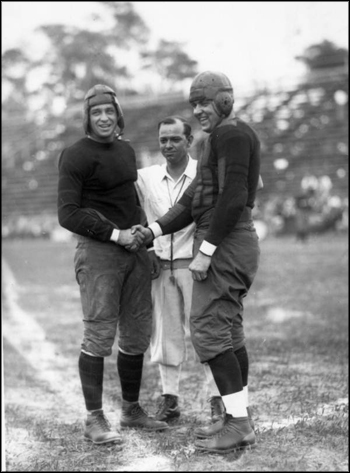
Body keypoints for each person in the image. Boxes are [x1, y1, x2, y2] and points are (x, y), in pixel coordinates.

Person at [133, 71, 261, 454]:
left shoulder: (231, 134)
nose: (198, 110)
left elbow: (233, 196)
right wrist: (153, 230)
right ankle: (238, 415)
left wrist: (205, 252)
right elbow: (190, 203)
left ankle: (237, 422)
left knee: (207, 328)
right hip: (225, 238)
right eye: (194, 103)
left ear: (225, 99)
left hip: (225, 240)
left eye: (204, 102)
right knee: (228, 331)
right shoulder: (215, 139)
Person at [57, 84, 168, 445]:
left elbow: (130, 202)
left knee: (136, 334)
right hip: (100, 252)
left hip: (135, 251)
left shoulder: (125, 149)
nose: (103, 118)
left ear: (118, 114)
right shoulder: (74, 155)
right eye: (96, 112)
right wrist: (115, 234)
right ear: (87, 118)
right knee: (99, 335)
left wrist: (146, 247)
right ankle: (93, 418)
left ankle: (132, 410)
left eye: (109, 111)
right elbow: (67, 213)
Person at [135, 116, 225, 423]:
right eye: (163, 140)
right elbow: (126, 203)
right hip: (160, 266)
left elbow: (247, 185)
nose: (168, 145)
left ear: (189, 141)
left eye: (175, 139)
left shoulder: (204, 170)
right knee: (165, 334)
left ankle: (217, 399)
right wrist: (147, 249)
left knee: (204, 332)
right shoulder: (146, 177)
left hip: (196, 265)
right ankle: (170, 399)